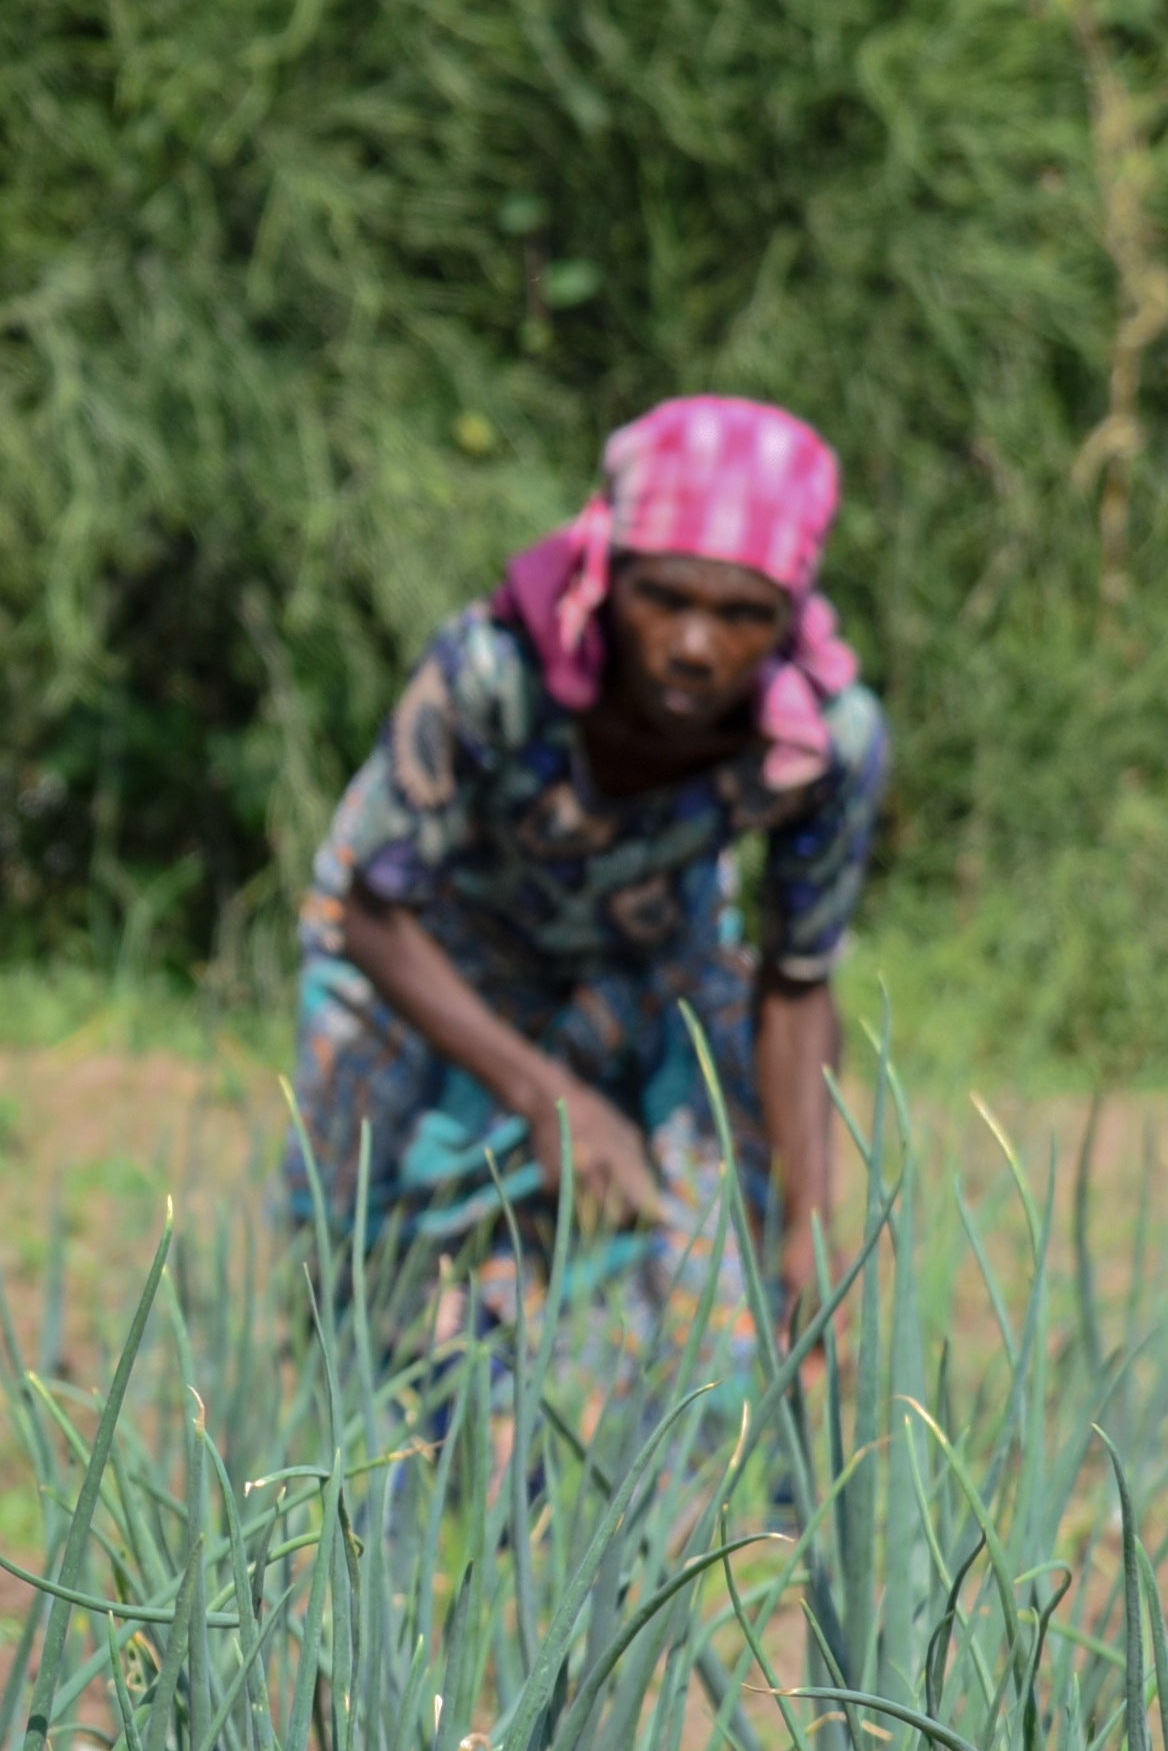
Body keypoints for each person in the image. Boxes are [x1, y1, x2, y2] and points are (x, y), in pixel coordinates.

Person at [288, 395, 883, 1357]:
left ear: (786, 618)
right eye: (666, 598)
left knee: (708, 1270)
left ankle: (678, 1456)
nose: (696, 644)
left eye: (741, 615)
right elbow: (370, 912)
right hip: (433, 962)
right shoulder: (496, 672)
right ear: (610, 574)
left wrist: (812, 1227)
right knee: (370, 1277)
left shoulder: (824, 740)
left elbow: (796, 983)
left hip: (645, 964)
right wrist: (545, 1096)